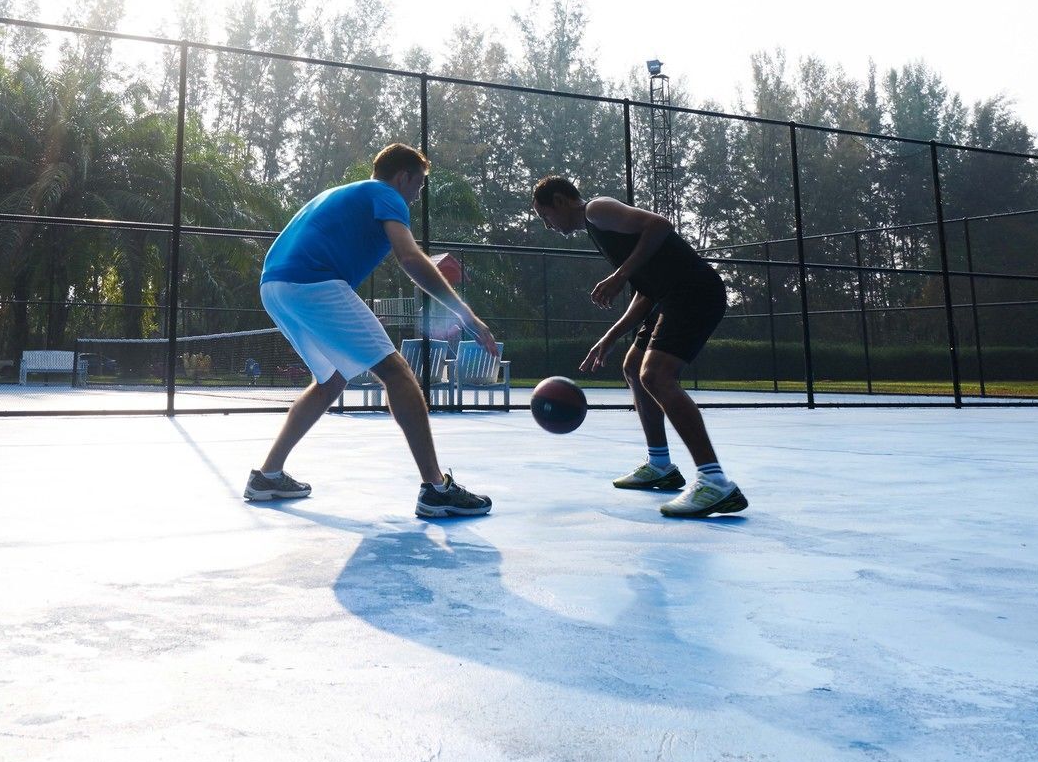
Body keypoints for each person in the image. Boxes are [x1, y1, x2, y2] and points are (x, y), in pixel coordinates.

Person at [247, 143, 497, 518]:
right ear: (403, 177)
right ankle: (435, 488)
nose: (416, 195)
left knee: (330, 381)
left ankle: (267, 475)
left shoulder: (343, 194)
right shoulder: (386, 194)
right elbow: (411, 258)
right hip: (313, 283)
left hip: (275, 286)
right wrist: (467, 316)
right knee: (397, 372)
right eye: (419, 185)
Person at [531, 175, 748, 518]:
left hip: (694, 291)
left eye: (546, 216)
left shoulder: (597, 210)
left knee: (657, 375)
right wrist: (612, 336)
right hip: (669, 296)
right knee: (634, 368)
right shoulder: (599, 231)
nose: (548, 225)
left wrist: (618, 276)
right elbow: (646, 290)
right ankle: (660, 464)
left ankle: (714, 481)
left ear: (561, 201)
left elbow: (660, 224)